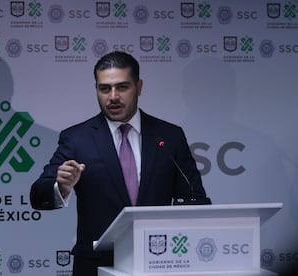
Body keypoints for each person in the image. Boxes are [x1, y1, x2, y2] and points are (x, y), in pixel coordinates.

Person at [30, 51, 209, 275]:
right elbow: (38, 195)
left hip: (161, 262)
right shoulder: (77, 139)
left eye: (122, 87)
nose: (113, 96)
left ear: (139, 87)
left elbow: (195, 197)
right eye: (104, 88)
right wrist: (61, 187)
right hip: (96, 266)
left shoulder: (169, 136)